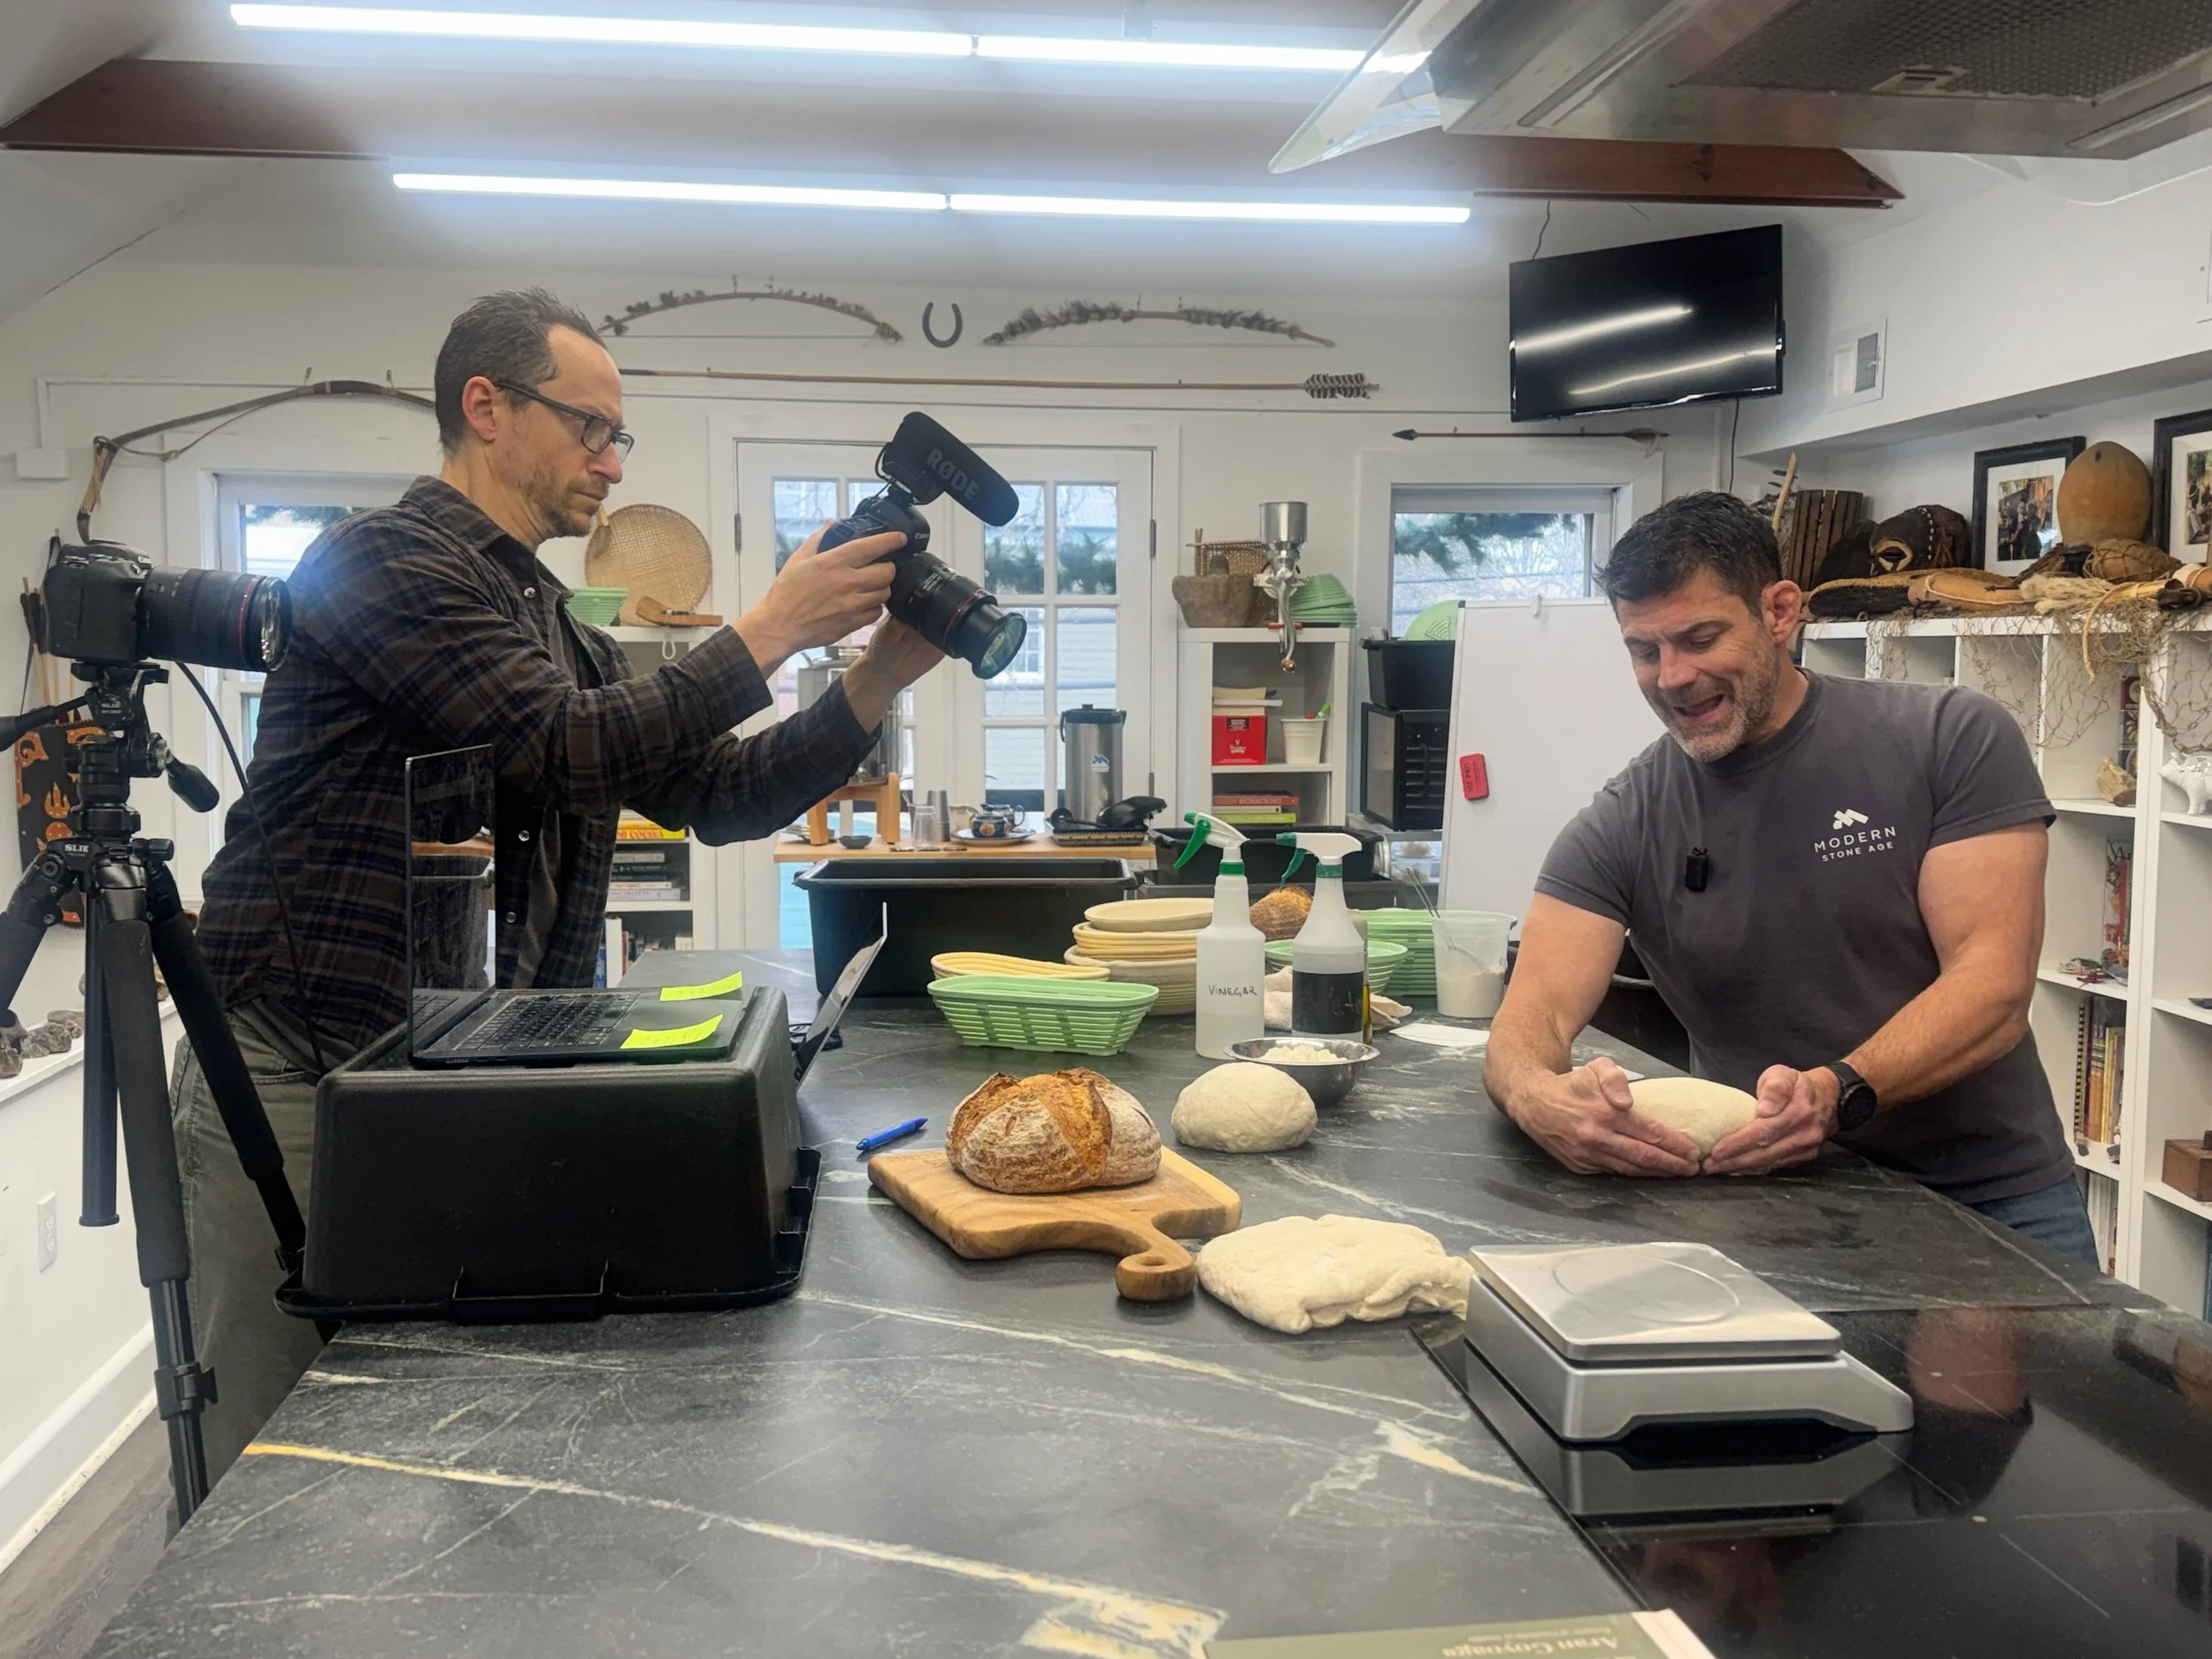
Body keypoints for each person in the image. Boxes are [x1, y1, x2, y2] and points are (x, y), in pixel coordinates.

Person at [176, 288, 940, 1478]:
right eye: (590, 426)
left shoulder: (555, 620)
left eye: (616, 434)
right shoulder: (379, 559)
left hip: (462, 1076)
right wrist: (770, 628)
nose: (611, 458)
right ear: (486, 405)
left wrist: (879, 675)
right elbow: (556, 744)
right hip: (298, 1066)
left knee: (432, 1429)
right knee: (274, 1450)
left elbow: (719, 793)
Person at [1484, 492, 2093, 1267]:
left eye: (1700, 638)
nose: (1673, 677)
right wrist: (1539, 1098)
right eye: (1645, 650)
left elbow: (1993, 986)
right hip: (1767, 1207)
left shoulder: (1949, 739)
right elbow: (1529, 1012)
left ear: (1780, 612)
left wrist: (1836, 1092)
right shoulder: (1628, 817)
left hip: (1985, 1200)